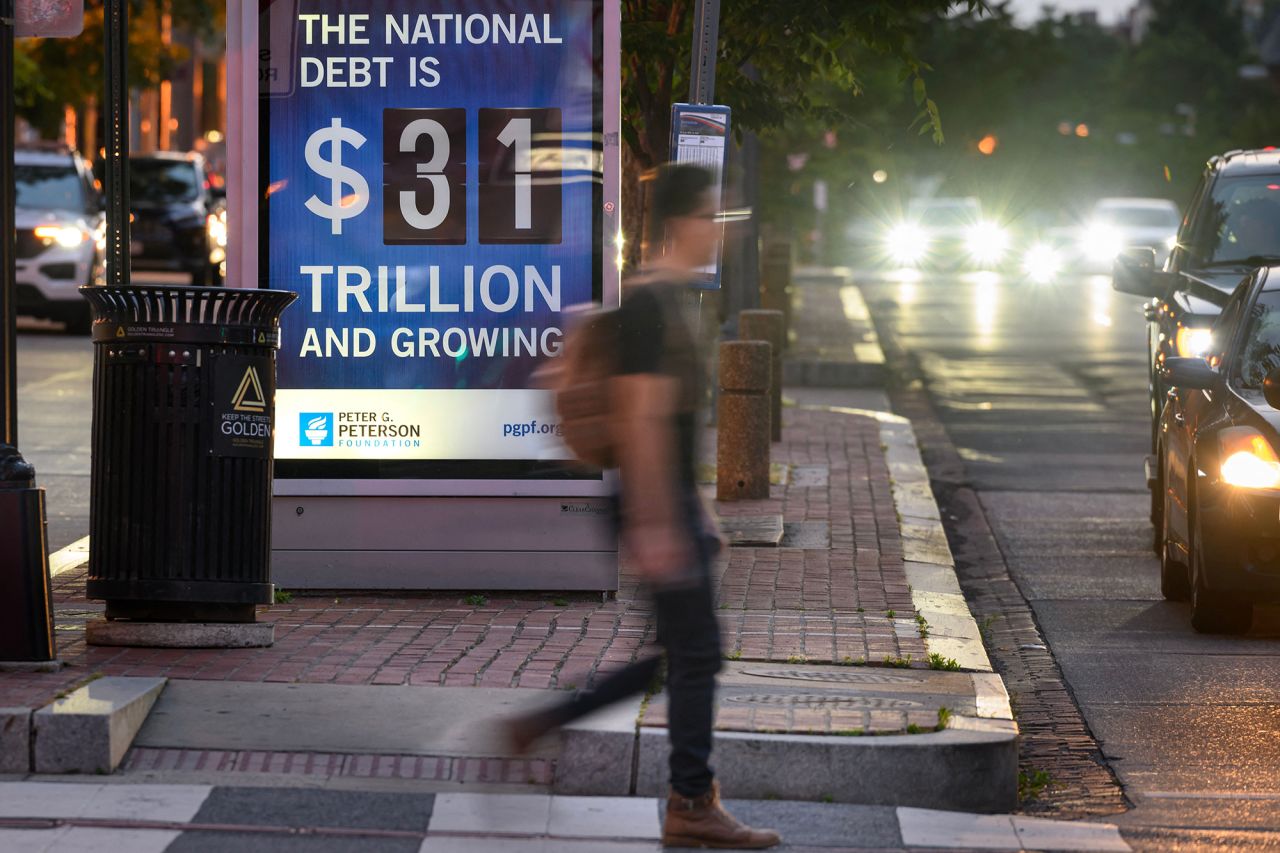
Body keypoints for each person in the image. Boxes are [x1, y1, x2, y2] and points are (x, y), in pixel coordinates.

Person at [507, 164, 781, 850]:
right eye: (710, 217)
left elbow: (673, 425)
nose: (716, 231)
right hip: (649, 500)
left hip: (664, 499)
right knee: (697, 650)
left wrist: (698, 510)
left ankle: (539, 723)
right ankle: (690, 801)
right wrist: (661, 522)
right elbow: (640, 420)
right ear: (678, 223)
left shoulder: (668, 299)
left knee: (677, 651)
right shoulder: (651, 305)